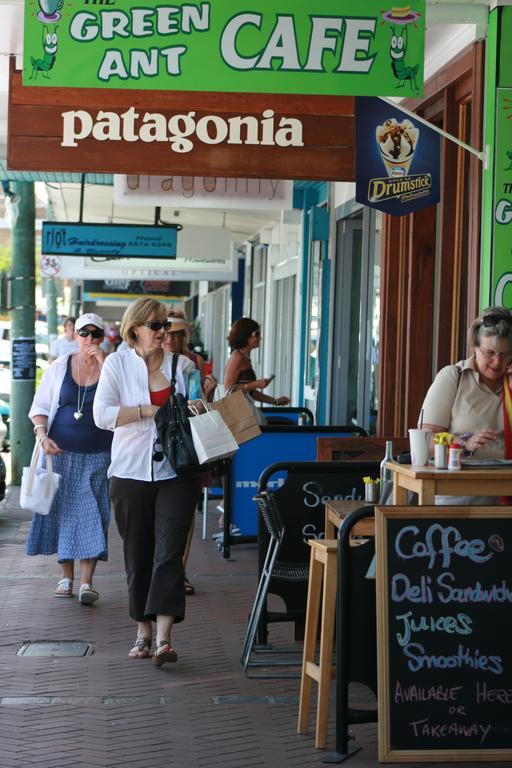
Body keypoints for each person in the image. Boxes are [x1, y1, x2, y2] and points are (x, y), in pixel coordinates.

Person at [93, 297, 198, 666]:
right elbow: (101, 414)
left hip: (176, 472)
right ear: (134, 327)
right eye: (155, 325)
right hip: (129, 472)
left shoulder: (182, 366)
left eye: (165, 326)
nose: (162, 333)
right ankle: (143, 630)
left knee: (168, 554)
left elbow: (199, 412)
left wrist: (203, 402)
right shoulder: (118, 365)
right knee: (138, 555)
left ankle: (165, 638)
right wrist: (145, 412)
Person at [27, 312, 112, 604]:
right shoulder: (60, 366)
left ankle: (87, 582)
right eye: (83, 334)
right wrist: (42, 435)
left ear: (103, 338)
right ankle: (66, 577)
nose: (89, 340)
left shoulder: (112, 367)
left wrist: (103, 363)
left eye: (95, 334)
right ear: (74, 336)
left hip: (100, 453)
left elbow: (125, 401)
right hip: (60, 452)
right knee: (64, 512)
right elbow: (39, 405)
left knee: (93, 513)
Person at [420, 306, 512, 503]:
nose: (497, 363)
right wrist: (463, 443)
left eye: (505, 355)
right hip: (459, 501)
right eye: (489, 353)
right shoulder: (454, 377)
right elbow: (425, 441)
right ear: (475, 347)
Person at [162, 312, 216, 597]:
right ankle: (163, 568)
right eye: (166, 333)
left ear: (184, 337)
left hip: (187, 444)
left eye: (176, 334)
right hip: (159, 443)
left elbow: (200, 404)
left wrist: (209, 392)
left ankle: (180, 571)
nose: (170, 339)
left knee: (185, 511)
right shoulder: (150, 360)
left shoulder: (193, 363)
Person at [224, 317, 290, 406]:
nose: (260, 338)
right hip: (238, 411)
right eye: (257, 334)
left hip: (246, 408)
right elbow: (228, 389)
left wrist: (274, 401)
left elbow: (250, 392)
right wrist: (255, 384)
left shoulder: (245, 357)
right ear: (245, 335)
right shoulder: (237, 356)